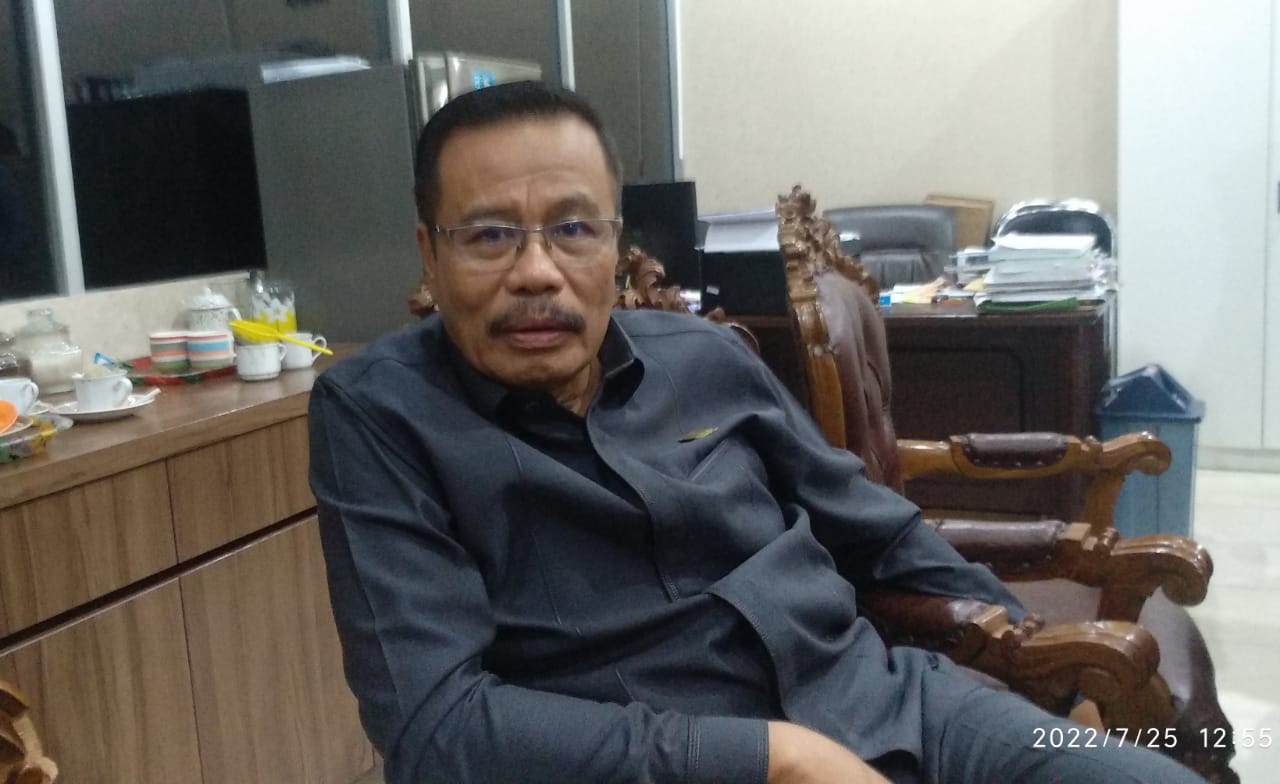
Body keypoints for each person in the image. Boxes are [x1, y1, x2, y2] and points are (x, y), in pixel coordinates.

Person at [309, 81, 1204, 784]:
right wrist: (774, 758)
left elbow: (882, 534)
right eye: (489, 236)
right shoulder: (381, 415)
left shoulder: (704, 358)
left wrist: (1049, 679)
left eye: (573, 229)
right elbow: (436, 729)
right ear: (430, 254)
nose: (537, 272)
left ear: (615, 246)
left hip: (894, 708)